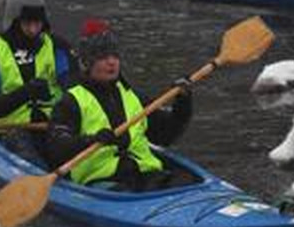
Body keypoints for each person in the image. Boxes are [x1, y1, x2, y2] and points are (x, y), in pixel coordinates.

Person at [47, 19, 192, 191]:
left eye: (115, 55)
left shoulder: (132, 96)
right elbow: (56, 149)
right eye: (103, 57)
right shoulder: (71, 102)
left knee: (186, 181)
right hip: (103, 183)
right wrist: (91, 140)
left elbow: (166, 135)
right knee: (122, 190)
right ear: (87, 63)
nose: (112, 62)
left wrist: (183, 103)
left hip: (145, 176)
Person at [0, 0, 78, 160]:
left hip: (51, 126)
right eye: (27, 23)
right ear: (14, 22)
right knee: (27, 150)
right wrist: (26, 92)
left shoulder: (58, 47)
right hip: (10, 130)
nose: (34, 29)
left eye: (38, 23)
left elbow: (76, 87)